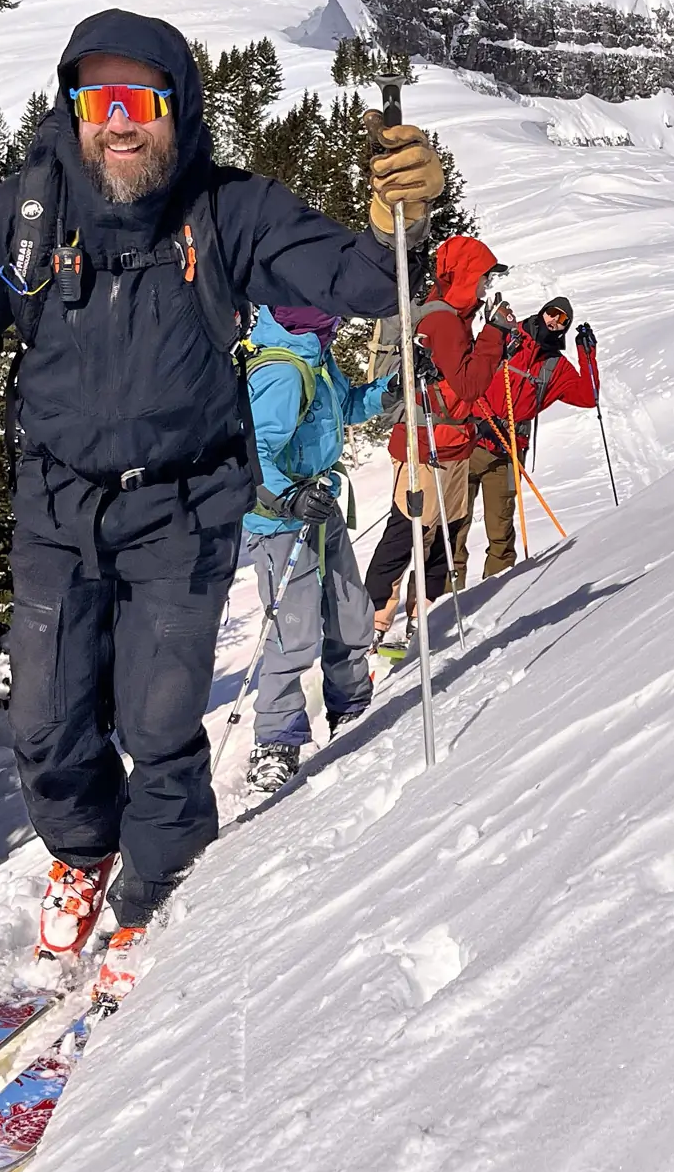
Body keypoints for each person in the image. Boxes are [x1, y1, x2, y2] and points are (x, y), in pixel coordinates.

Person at [0, 9, 442, 998]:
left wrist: (401, 228)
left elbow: (351, 279)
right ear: (73, 108)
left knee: (158, 714)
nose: (119, 123)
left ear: (177, 105)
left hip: (185, 505)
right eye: (99, 101)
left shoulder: (227, 212)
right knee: (44, 718)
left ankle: (158, 879)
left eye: (140, 99)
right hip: (55, 503)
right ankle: (85, 853)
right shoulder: (25, 217)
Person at [235, 303, 394, 794]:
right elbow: (250, 455)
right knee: (295, 628)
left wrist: (390, 390)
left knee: (350, 608)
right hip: (282, 519)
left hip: (318, 502)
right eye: (332, 309)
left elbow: (346, 408)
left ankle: (351, 703)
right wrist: (290, 496)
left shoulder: (316, 358)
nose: (343, 318)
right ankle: (276, 738)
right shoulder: (284, 370)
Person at [363, 234, 513, 634]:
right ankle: (376, 619)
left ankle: (418, 612)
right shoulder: (443, 321)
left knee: (440, 531)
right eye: (482, 277)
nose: (486, 285)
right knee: (408, 532)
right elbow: (466, 385)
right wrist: (494, 335)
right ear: (464, 275)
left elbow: (458, 386)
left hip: (450, 442)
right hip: (425, 445)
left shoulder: (453, 317)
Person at [461, 296, 600, 580]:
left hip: (508, 453)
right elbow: (466, 372)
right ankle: (444, 600)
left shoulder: (555, 366)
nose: (554, 321)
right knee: (453, 525)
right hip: (469, 441)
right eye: (552, 314)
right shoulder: (509, 336)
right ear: (542, 311)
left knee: (500, 530)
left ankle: (492, 594)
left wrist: (587, 355)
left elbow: (588, 396)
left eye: (562, 321)